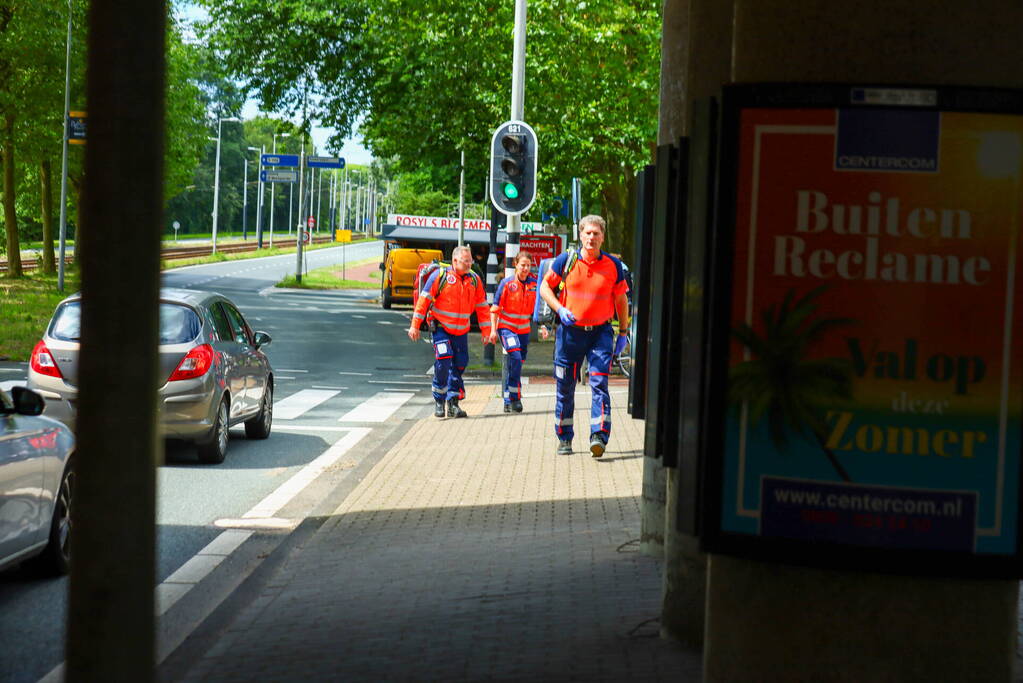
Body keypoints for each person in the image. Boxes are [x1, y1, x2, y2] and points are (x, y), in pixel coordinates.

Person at [539, 215, 630, 457]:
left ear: (603, 237)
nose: (591, 237)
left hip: (600, 333)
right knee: (565, 387)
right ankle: (564, 439)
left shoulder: (613, 266)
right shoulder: (565, 261)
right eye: (587, 233)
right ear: (580, 235)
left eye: (596, 233)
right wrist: (560, 309)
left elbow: (621, 300)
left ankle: (599, 435)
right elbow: (545, 288)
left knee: (599, 383)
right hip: (570, 334)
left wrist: (623, 332)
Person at [408, 245, 492, 418]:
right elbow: (423, 301)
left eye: (470, 260)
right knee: (444, 360)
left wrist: (486, 330)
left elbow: (482, 306)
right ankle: (439, 399)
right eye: (465, 261)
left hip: (461, 332)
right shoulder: (440, 277)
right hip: (441, 328)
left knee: (460, 364)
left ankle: (453, 402)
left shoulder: (474, 280)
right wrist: (415, 325)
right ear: (455, 261)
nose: (469, 264)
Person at [489, 252, 549, 413]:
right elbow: (494, 309)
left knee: (516, 363)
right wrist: (493, 331)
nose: (525, 268)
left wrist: (543, 326)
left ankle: (508, 398)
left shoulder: (535, 284)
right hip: (507, 329)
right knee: (514, 357)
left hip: (524, 330)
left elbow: (539, 307)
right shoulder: (507, 284)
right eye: (522, 265)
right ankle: (515, 398)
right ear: (515, 264)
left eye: (528, 265)